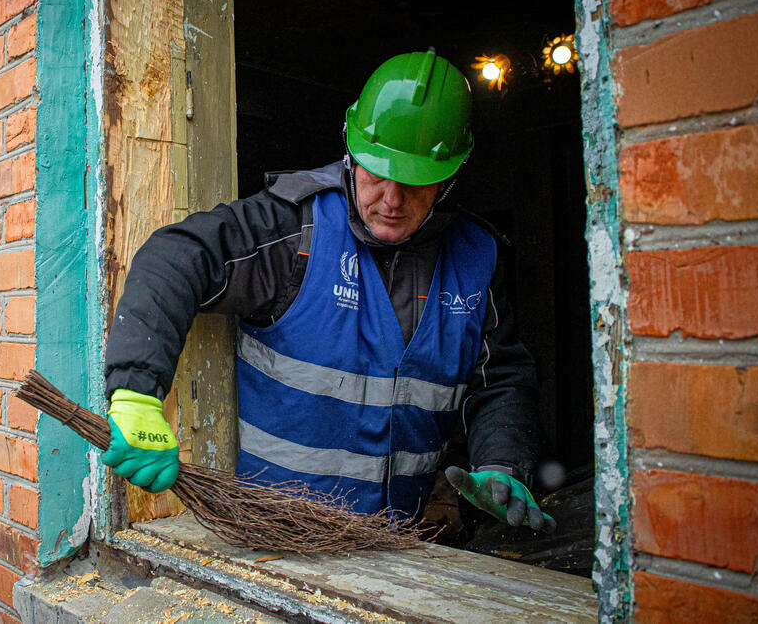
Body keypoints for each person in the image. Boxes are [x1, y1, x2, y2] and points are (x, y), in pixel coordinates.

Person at [101, 49, 554, 532]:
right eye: (378, 173)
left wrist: (504, 464)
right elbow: (175, 257)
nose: (392, 200)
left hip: (397, 546)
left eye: (416, 184)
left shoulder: (477, 257)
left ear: (450, 179)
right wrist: (135, 394)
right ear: (351, 151)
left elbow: (499, 379)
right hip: (273, 541)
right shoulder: (294, 229)